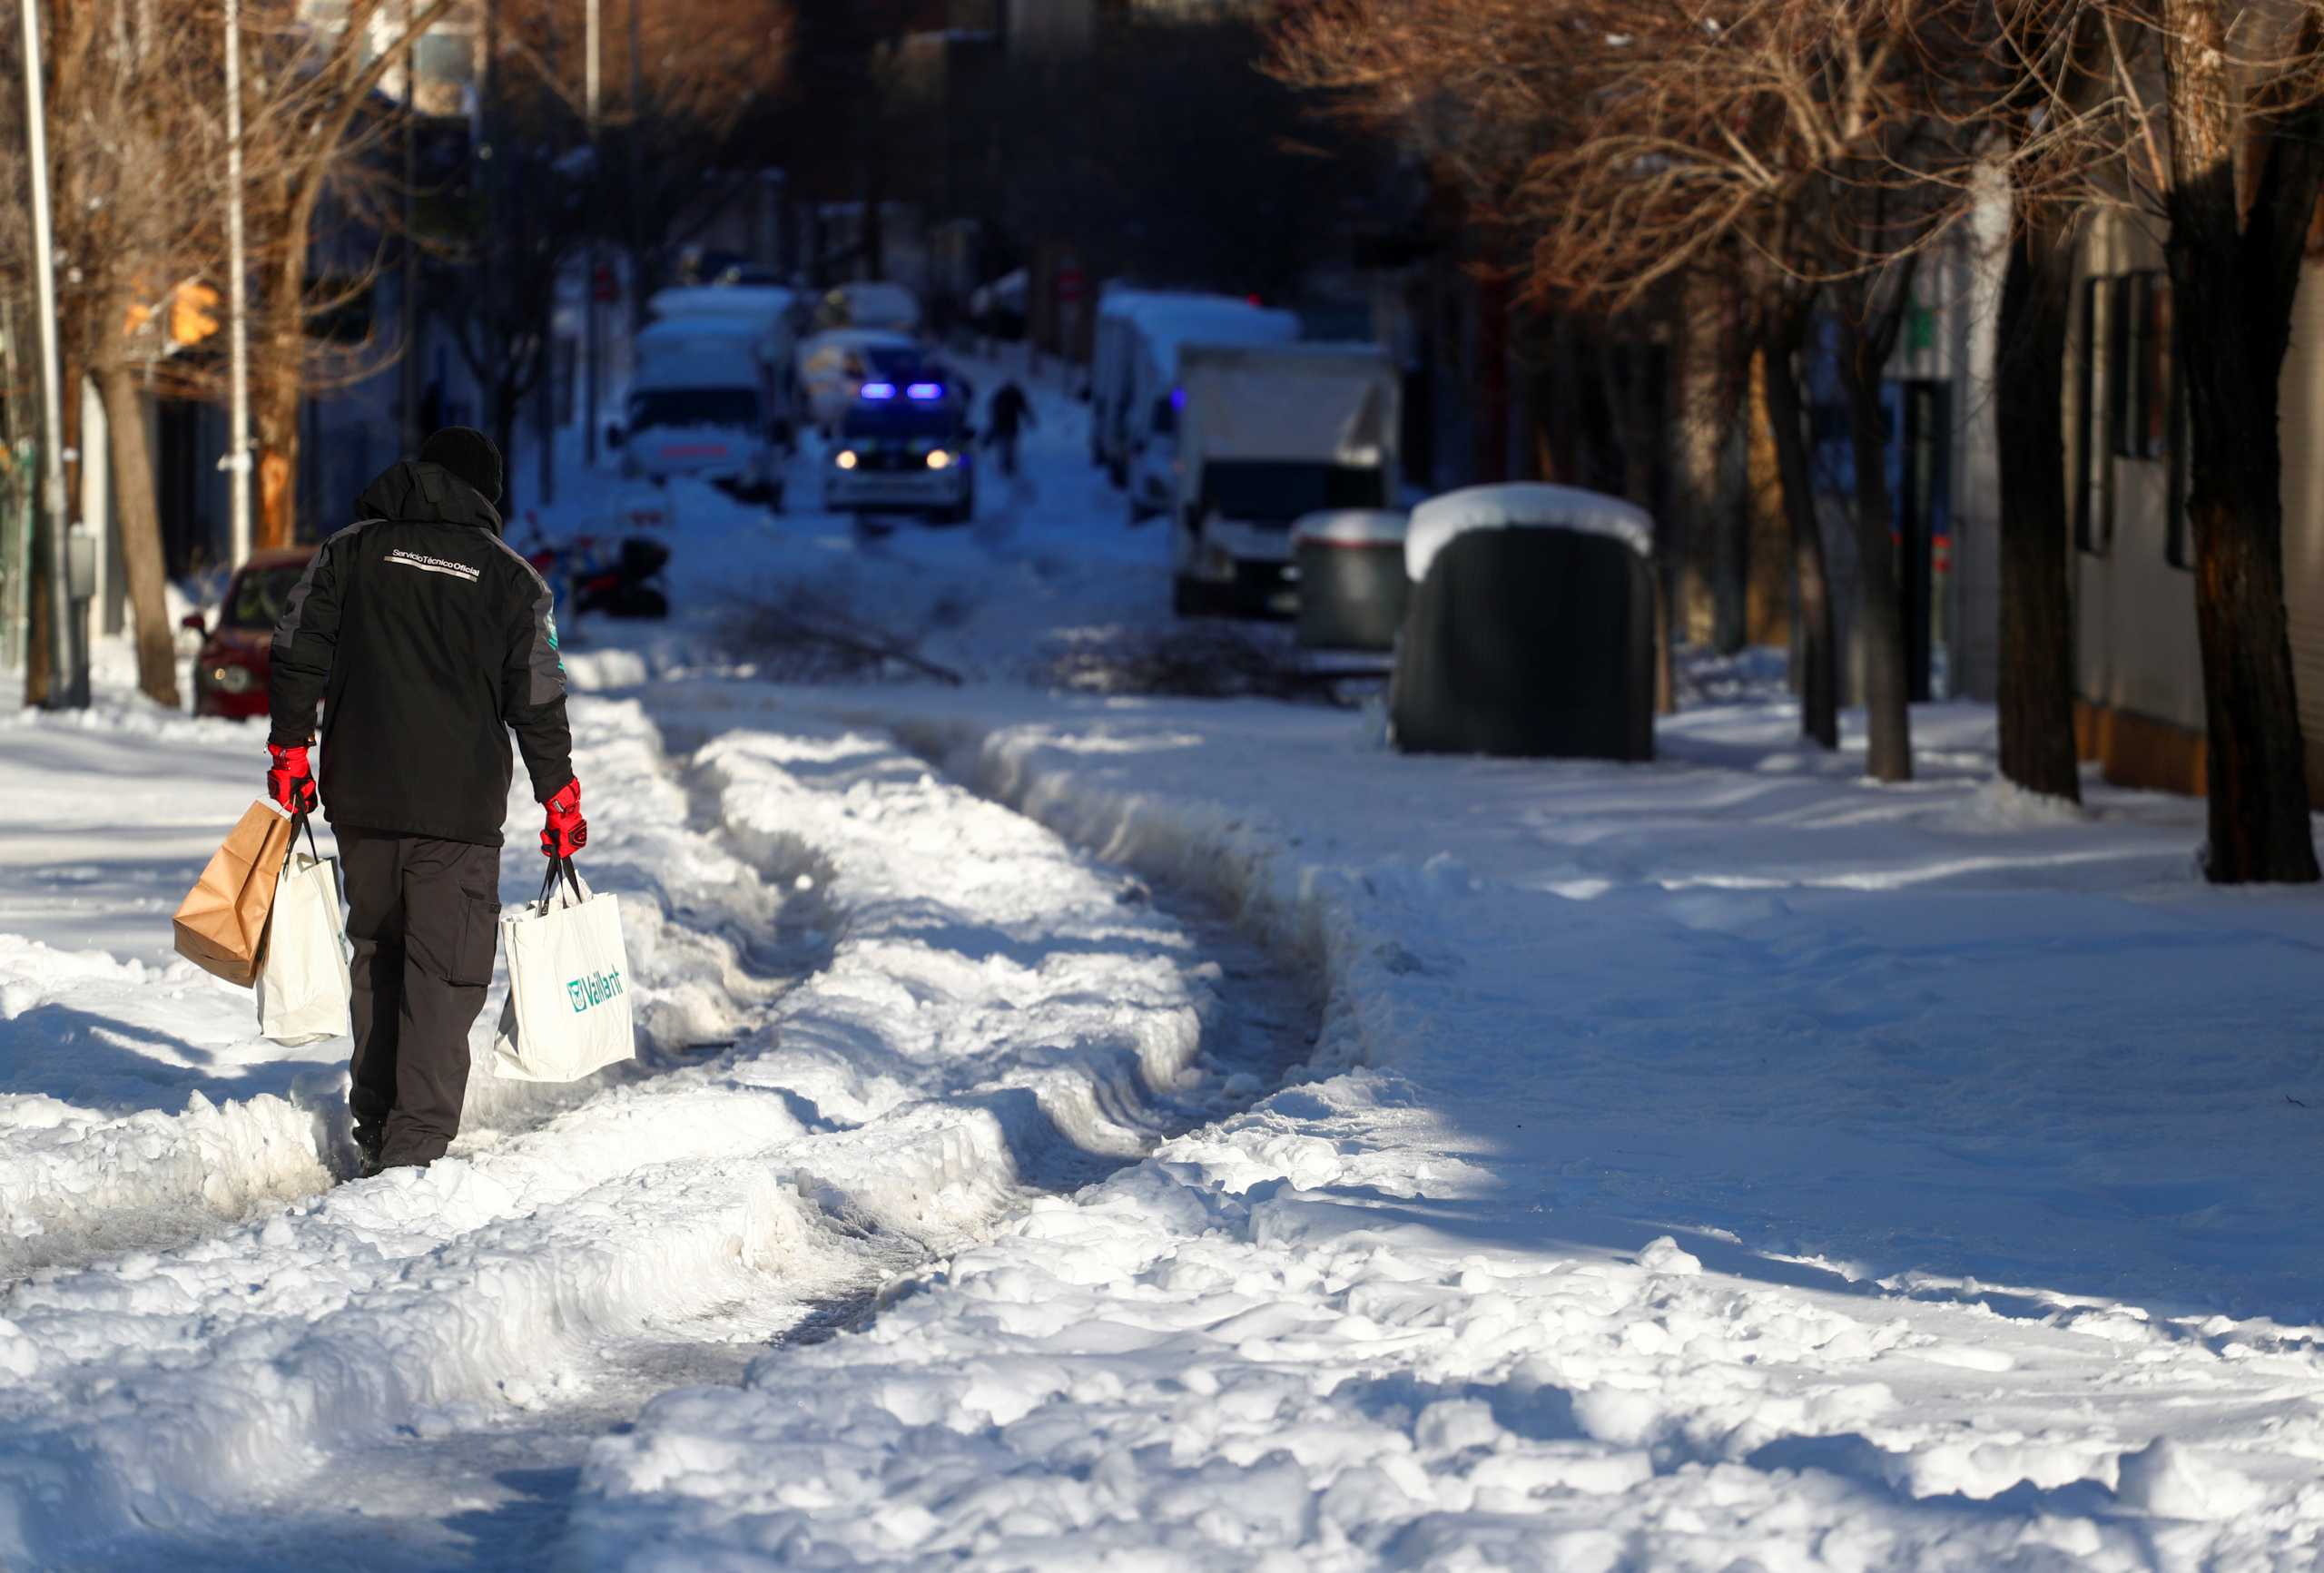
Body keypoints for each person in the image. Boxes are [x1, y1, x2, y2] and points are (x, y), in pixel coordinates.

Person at [265, 428, 586, 1177]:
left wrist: (290, 747)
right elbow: (538, 698)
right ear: (488, 495)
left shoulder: (349, 551)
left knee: (377, 953)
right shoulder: (512, 580)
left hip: (363, 800)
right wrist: (559, 797)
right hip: (458, 816)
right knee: (444, 974)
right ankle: (412, 1153)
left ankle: (377, 1124)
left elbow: (294, 647)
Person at [985, 379, 1035, 478]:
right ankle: (1006, 465)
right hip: (1006, 424)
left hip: (1006, 424)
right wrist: (1030, 419)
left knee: (1006, 445)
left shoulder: (1008, 395)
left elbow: (1024, 408)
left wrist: (1030, 418)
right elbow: (1024, 408)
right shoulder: (1009, 395)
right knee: (1006, 445)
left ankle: (1007, 465)